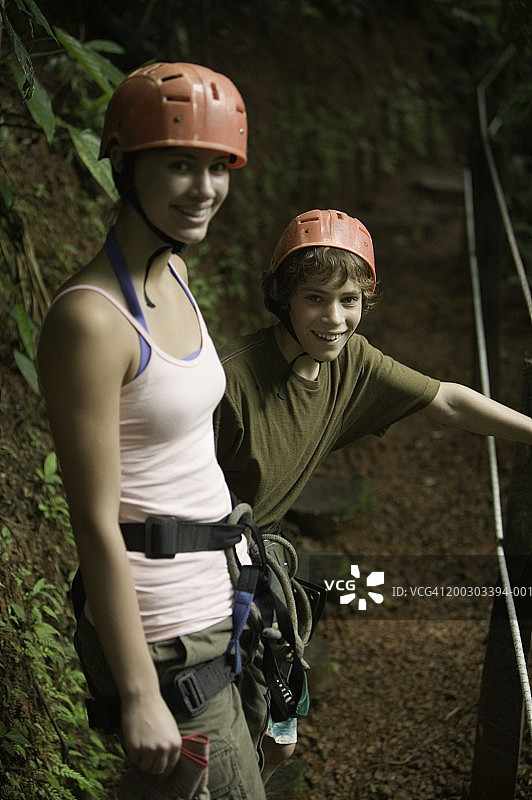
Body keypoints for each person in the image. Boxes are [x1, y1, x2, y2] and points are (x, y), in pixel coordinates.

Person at [214, 207, 532, 780]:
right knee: (227, 745)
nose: (334, 318)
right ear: (283, 296)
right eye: (315, 298)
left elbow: (449, 400)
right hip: (210, 574)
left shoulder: (349, 362)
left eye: (349, 301)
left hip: (267, 574)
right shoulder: (229, 382)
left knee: (278, 742)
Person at [37, 62, 267, 800]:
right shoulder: (91, 320)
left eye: (216, 166)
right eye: (178, 165)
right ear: (125, 166)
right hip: (168, 641)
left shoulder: (176, 276)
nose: (204, 190)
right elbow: (94, 521)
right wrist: (138, 691)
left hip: (220, 604)